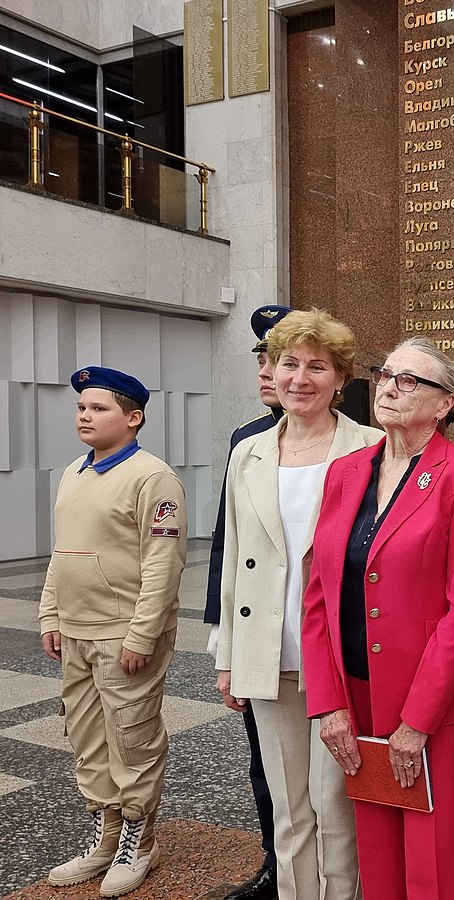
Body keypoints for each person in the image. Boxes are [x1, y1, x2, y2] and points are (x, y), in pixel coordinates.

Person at [301, 337, 454, 899]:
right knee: (377, 854)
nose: (389, 386)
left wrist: (417, 722)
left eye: (410, 380)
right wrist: (329, 704)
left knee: (434, 862)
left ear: (445, 403)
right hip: (356, 699)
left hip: (430, 709)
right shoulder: (345, 471)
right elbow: (318, 596)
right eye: (385, 374)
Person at [215, 309, 382, 900]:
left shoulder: (372, 447)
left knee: (336, 809)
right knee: (288, 811)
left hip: (340, 655)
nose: (301, 377)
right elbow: (235, 556)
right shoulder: (249, 452)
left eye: (318, 366)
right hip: (269, 653)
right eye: (289, 364)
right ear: (271, 371)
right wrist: (227, 657)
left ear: (341, 379)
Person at [39, 366, 187, 896]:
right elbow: (63, 554)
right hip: (77, 633)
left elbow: (163, 565)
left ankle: (138, 840)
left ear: (133, 417)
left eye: (98, 408)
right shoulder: (71, 473)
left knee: (132, 738)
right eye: (81, 407)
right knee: (87, 738)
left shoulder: (154, 478)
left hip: (124, 635)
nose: (85, 415)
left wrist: (142, 636)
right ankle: (105, 836)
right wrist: (50, 614)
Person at [204, 304, 293, 900]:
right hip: (257, 628)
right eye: (262, 357)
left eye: (278, 356)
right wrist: (220, 628)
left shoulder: (357, 435)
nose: (266, 369)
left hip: (315, 635)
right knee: (266, 762)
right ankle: (274, 862)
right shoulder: (248, 440)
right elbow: (226, 540)